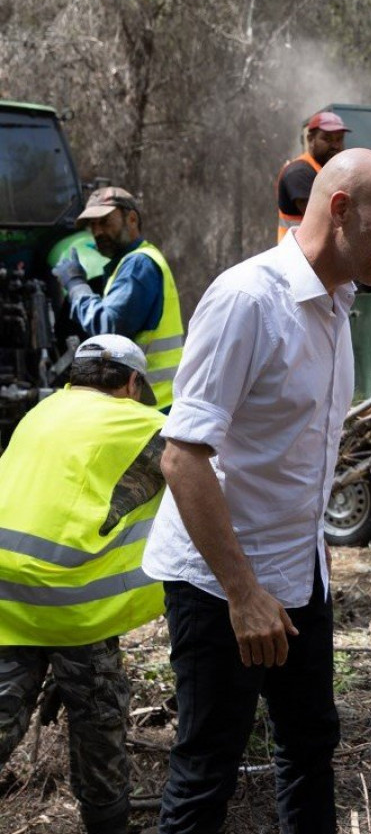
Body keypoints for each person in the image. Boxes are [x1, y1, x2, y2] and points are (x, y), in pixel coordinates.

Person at [142, 147, 371, 834]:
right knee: (209, 769)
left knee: (309, 747)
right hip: (220, 585)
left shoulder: (337, 304)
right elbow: (182, 458)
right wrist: (243, 592)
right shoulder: (247, 299)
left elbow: (291, 449)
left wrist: (309, 553)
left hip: (299, 577)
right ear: (344, 212)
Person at [0, 334, 167, 834]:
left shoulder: (41, 413)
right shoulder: (141, 422)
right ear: (133, 381)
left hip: (5, 587)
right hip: (71, 599)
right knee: (98, 717)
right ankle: (108, 825)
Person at [51, 187, 185, 411]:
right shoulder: (127, 264)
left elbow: (109, 327)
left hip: (153, 404)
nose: (97, 231)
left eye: (104, 222)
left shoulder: (138, 265)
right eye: (92, 225)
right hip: (149, 402)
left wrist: (75, 284)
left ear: (131, 219)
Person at [275, 110, 352, 242]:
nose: (335, 145)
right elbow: (324, 219)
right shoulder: (298, 172)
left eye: (339, 139)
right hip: (297, 255)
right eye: (327, 139)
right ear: (310, 139)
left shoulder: (322, 171)